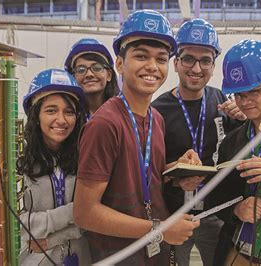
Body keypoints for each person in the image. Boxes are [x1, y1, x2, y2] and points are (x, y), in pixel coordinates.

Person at [73, 10, 200, 265]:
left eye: (161, 59)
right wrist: (159, 228)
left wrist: (177, 171)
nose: (152, 67)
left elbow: (140, 175)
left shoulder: (156, 118)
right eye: (141, 56)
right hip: (119, 255)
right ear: (120, 64)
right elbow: (85, 213)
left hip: (154, 252)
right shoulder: (105, 124)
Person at [152, 18, 245, 266]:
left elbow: (243, 149)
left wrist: (246, 118)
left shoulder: (223, 101)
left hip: (216, 213)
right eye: (188, 59)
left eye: (205, 60)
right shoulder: (158, 110)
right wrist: (174, 175)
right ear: (176, 63)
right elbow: (148, 170)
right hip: (174, 215)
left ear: (214, 66)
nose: (196, 68)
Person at [210, 39, 261, 266]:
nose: (245, 102)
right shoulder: (232, 142)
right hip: (240, 251)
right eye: (238, 95)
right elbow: (217, 197)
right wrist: (237, 209)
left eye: (254, 92)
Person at [17, 69, 91, 265]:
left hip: (84, 257)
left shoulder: (85, 156)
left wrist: (51, 239)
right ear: (36, 114)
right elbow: (18, 225)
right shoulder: (19, 161)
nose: (61, 120)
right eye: (51, 110)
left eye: (69, 112)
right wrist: (74, 212)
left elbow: (93, 219)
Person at [64, 38, 120, 120]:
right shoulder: (68, 117)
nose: (89, 74)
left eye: (96, 68)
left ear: (109, 75)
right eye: (81, 70)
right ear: (72, 77)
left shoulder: (122, 112)